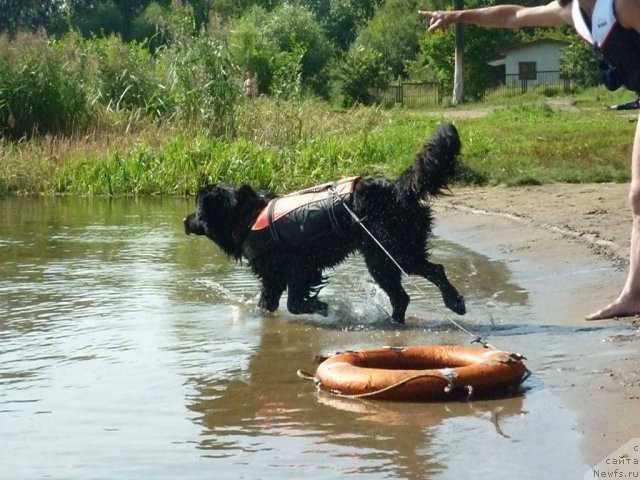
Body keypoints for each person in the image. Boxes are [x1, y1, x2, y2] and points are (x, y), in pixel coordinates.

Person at [419, 0, 640, 320]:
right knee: (638, 198)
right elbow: (514, 16)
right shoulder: (573, 11)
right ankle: (634, 296)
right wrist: (458, 17)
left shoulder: (624, 5)